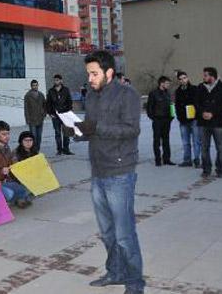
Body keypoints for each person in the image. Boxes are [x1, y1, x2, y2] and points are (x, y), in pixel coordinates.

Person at [76, 51, 145, 294]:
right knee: (106, 232)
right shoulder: (92, 97)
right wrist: (77, 132)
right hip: (98, 170)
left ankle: (135, 283)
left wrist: (96, 127)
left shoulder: (128, 95)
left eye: (94, 74)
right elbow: (91, 130)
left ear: (109, 72)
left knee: (124, 234)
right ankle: (115, 272)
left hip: (120, 172)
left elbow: (131, 130)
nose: (90, 79)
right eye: (88, 74)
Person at [0, 121, 31, 208]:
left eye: (8, 134)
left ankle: (17, 198)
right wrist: (1, 171)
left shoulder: (6, 147)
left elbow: (11, 164)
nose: (7, 136)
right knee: (11, 194)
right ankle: (12, 199)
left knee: (29, 186)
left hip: (6, 180)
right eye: (4, 134)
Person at [195, 67, 222, 178]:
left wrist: (213, 113)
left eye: (205, 75)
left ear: (212, 76)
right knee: (204, 147)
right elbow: (196, 102)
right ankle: (206, 169)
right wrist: (202, 113)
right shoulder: (200, 87)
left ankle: (220, 169)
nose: (203, 77)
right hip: (203, 122)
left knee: (220, 147)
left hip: (218, 122)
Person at [146, 76, 175, 167]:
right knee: (157, 140)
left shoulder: (168, 94)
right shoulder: (153, 93)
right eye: (167, 83)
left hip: (167, 120)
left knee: (166, 140)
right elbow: (149, 108)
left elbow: (171, 105)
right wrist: (153, 118)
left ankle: (167, 159)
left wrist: (171, 117)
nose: (168, 85)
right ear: (161, 83)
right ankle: (158, 160)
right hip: (157, 120)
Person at [174, 71, 201, 168]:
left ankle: (197, 159)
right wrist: (179, 117)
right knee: (185, 142)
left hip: (194, 119)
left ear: (188, 78)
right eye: (180, 79)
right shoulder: (178, 91)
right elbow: (176, 105)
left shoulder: (194, 89)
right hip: (183, 120)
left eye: (184, 78)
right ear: (179, 81)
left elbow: (199, 103)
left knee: (196, 141)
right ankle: (187, 160)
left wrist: (198, 115)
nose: (183, 80)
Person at [46, 74, 74, 155]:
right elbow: (48, 103)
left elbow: (69, 101)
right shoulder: (51, 91)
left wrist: (69, 112)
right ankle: (59, 150)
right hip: (55, 115)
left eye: (57, 80)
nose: (56, 81)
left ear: (61, 81)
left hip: (65, 114)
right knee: (57, 133)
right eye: (55, 80)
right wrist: (50, 113)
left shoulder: (66, 90)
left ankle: (66, 149)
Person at [24, 80, 47, 151]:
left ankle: (37, 149)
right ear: (31, 86)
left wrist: (44, 114)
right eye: (33, 85)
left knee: (39, 136)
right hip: (32, 119)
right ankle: (33, 150)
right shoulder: (28, 95)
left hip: (40, 119)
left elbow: (45, 105)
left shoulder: (41, 95)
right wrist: (27, 119)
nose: (35, 86)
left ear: (38, 85)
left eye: (36, 85)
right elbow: (26, 108)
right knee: (33, 136)